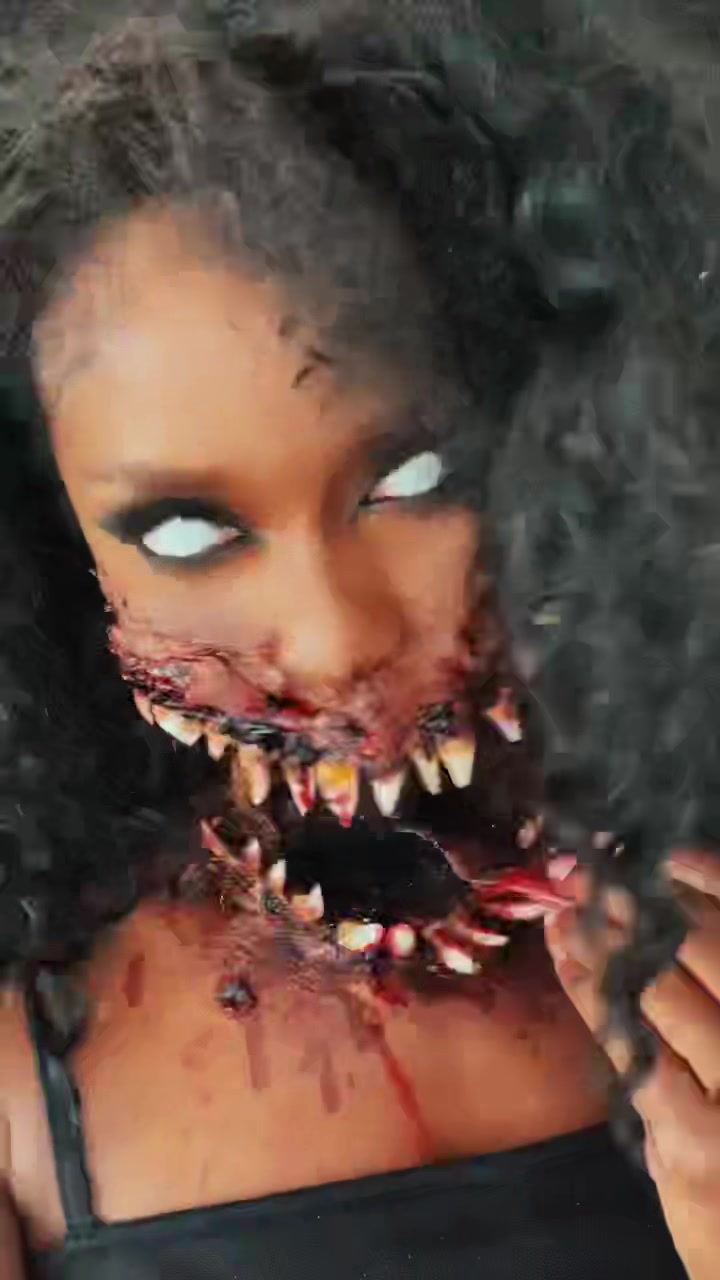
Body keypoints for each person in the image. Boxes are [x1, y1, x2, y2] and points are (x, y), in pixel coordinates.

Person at [0, 1, 718, 1276]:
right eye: (185, 533)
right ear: (54, 542)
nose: (336, 641)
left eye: (417, 477)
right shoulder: (25, 1068)